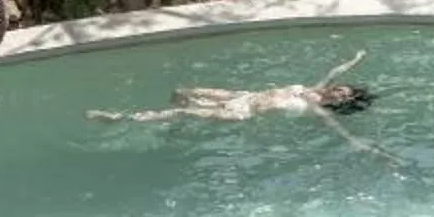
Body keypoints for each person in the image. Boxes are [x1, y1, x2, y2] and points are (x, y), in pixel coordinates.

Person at [91, 53, 393, 157]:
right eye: (342, 90)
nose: (339, 91)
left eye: (343, 96)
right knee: (182, 92)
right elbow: (336, 72)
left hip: (243, 113)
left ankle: (121, 119)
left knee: (185, 109)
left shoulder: (318, 111)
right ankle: (174, 132)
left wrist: (365, 147)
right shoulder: (315, 89)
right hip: (243, 95)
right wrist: (355, 60)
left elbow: (341, 133)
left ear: (339, 105)